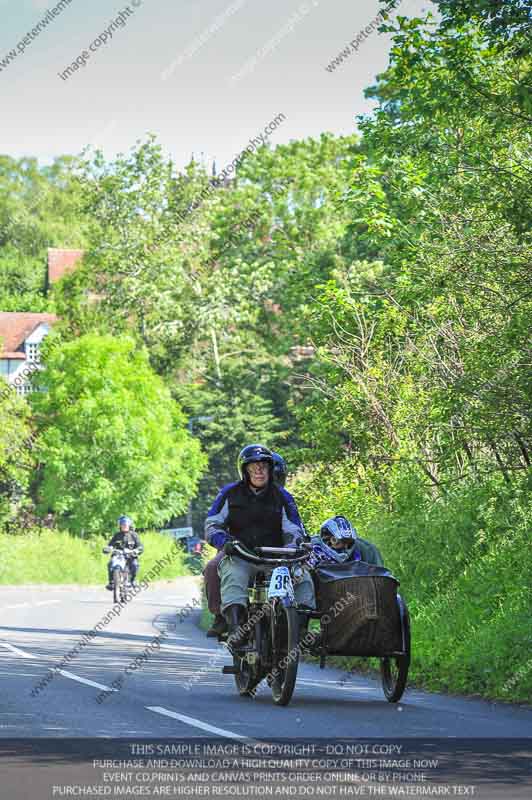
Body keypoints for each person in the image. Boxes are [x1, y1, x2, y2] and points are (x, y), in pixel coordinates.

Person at [204, 444, 315, 647]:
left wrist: (294, 546)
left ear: (271, 469)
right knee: (231, 572)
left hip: (276, 557)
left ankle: (299, 630)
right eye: (253, 466)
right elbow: (212, 525)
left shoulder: (283, 497)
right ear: (245, 470)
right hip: (241, 554)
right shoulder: (229, 493)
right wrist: (224, 542)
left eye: (263, 466)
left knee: (303, 576)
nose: (259, 471)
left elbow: (293, 527)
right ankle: (235, 627)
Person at [308, 515, 384, 568]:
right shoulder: (313, 548)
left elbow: (379, 576)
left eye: (348, 543)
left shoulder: (367, 550)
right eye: (338, 542)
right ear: (328, 540)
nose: (345, 546)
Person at [105, 515, 144, 589]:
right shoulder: (117, 535)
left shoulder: (134, 535)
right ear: (120, 525)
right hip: (118, 556)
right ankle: (111, 582)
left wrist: (136, 550)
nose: (124, 526)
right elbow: (110, 545)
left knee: (135, 564)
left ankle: (132, 580)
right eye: (122, 525)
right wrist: (108, 548)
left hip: (130, 556)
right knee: (110, 563)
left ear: (129, 525)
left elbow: (140, 546)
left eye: (126, 524)